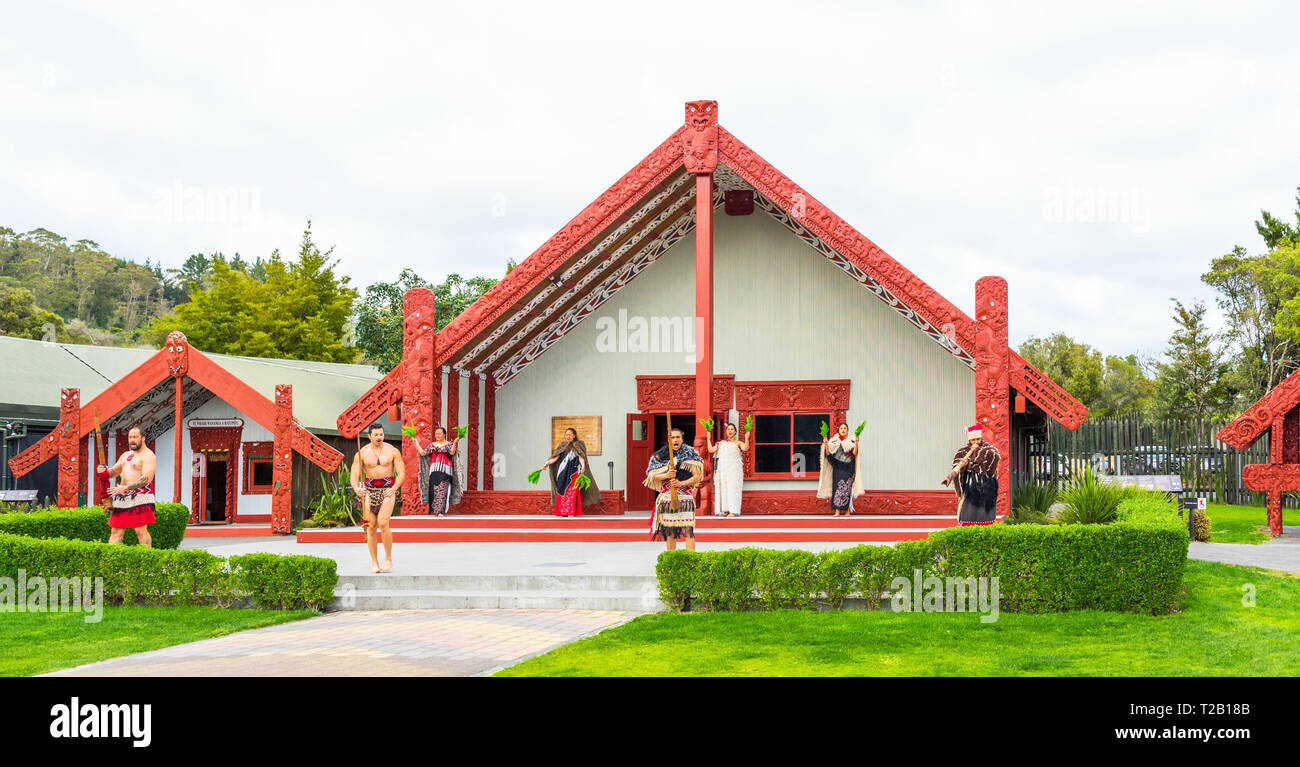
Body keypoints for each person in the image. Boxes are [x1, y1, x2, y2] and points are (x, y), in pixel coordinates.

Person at [350, 422, 405, 573]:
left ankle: (388, 558)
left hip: (387, 490)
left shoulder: (392, 451)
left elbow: (401, 473)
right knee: (371, 527)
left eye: (381, 434)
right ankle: (374, 562)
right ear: (369, 436)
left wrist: (394, 488)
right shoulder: (361, 453)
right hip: (369, 491)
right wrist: (357, 488)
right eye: (376, 435)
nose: (379, 437)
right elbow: (354, 475)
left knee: (382, 523)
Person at [644, 427, 703, 550]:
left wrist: (682, 483)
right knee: (670, 533)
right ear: (668, 439)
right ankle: (672, 560)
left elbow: (697, 477)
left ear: (682, 439)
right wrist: (666, 475)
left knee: (688, 531)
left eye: (678, 437)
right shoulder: (660, 456)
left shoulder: (690, 454)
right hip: (667, 498)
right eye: (672, 437)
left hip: (685, 498)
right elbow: (652, 476)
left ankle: (691, 561)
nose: (675, 440)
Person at [97, 426, 155, 547]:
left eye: (135, 437)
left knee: (140, 531)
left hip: (140, 497)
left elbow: (146, 479)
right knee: (116, 531)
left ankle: (147, 558)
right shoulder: (125, 455)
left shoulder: (149, 456)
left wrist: (125, 488)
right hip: (122, 497)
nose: (132, 440)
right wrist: (104, 471)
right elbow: (113, 472)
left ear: (143, 438)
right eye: (130, 437)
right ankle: (112, 560)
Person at [943, 424, 1000, 526]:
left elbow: (989, 466)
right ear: (969, 440)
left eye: (978, 439)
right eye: (973, 440)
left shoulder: (989, 450)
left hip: (986, 489)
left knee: (985, 517)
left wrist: (975, 454)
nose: (976, 442)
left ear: (981, 438)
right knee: (968, 516)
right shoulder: (962, 452)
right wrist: (964, 466)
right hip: (970, 490)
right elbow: (958, 468)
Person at [541, 427, 601, 516]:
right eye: (566, 435)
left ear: (574, 436)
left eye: (570, 434)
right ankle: (562, 512)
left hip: (574, 473)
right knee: (561, 491)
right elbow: (555, 457)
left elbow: (581, 457)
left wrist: (583, 466)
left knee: (571, 492)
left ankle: (570, 512)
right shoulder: (562, 446)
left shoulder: (578, 445)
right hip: (562, 473)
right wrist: (546, 464)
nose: (568, 436)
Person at [413, 426, 464, 516]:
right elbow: (423, 453)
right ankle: (435, 511)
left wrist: (456, 442)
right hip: (434, 470)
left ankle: (440, 511)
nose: (437, 435)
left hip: (445, 470)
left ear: (444, 435)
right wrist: (416, 442)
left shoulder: (449, 444)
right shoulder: (432, 445)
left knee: (442, 489)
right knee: (433, 489)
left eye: (439, 434)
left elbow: (452, 452)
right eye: (436, 434)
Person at [817, 422, 864, 516]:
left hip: (848, 468)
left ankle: (847, 511)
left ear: (847, 430)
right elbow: (828, 454)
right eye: (841, 428)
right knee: (837, 489)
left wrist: (857, 442)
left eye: (845, 428)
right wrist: (826, 443)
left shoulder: (851, 441)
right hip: (837, 468)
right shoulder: (834, 441)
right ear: (838, 431)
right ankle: (837, 511)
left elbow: (854, 454)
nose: (843, 430)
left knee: (847, 489)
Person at [705, 421, 749, 516]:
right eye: (728, 429)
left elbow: (745, 448)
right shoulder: (721, 443)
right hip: (723, 469)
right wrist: (708, 439)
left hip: (734, 470)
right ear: (726, 431)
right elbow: (711, 450)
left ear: (735, 432)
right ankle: (725, 510)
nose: (730, 431)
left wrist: (746, 438)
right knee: (723, 488)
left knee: (733, 488)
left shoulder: (738, 443)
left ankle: (733, 511)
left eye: (732, 429)